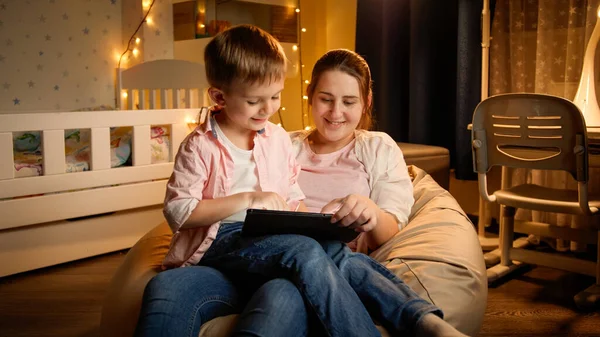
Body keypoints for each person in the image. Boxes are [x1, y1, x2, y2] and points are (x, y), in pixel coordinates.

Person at [136, 34, 467, 336]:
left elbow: (295, 198)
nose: (336, 112)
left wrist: (328, 218)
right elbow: (184, 209)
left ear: (365, 103)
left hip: (290, 262)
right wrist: (257, 202)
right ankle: (418, 318)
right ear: (310, 97)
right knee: (166, 286)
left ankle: (418, 318)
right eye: (326, 99)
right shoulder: (271, 141)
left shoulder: (356, 146)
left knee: (304, 259)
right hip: (236, 253)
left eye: (349, 102)